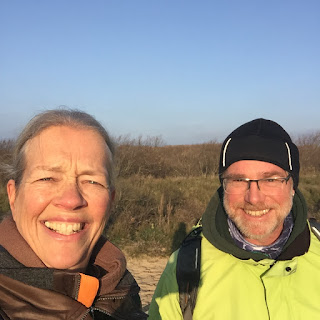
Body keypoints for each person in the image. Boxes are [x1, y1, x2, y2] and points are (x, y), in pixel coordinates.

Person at [149, 118, 320, 319]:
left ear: (292, 186)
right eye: (238, 180)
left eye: (271, 179)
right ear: (224, 186)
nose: (254, 198)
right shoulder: (185, 266)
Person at [0, 109, 147, 320]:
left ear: (110, 201)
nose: (71, 200)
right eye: (47, 178)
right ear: (13, 196)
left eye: (92, 181)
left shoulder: (122, 296)